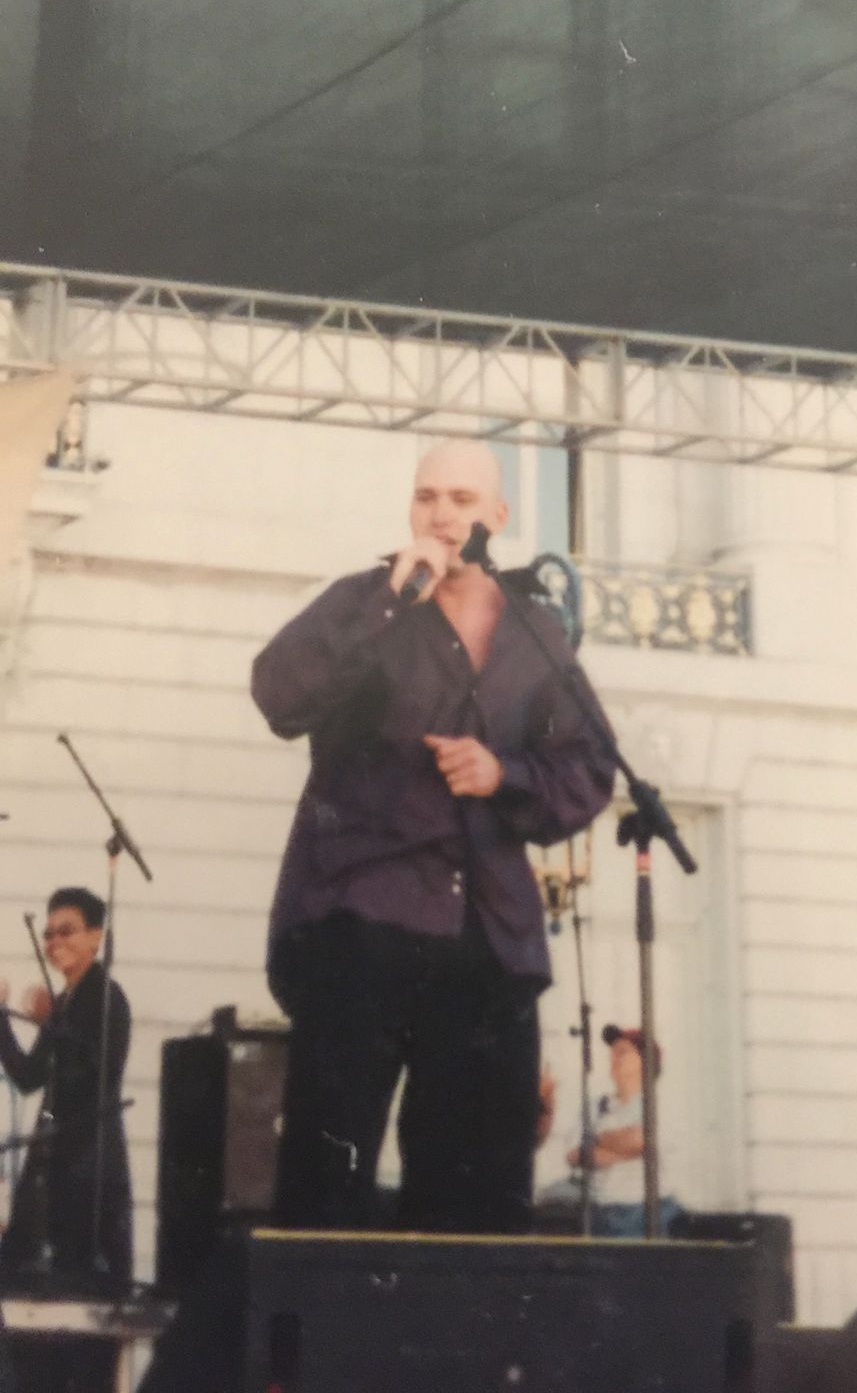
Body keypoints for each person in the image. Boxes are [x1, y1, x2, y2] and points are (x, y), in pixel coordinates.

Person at [252, 438, 615, 1235]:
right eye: (427, 497)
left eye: (461, 499)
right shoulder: (365, 600)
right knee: (326, 1182)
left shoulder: (535, 631)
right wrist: (387, 601)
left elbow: (589, 769)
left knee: (476, 1200)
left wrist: (503, 773)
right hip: (364, 921)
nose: (442, 514)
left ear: (498, 516)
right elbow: (280, 694)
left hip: (487, 940)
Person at [0, 887, 133, 1392]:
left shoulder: (106, 998)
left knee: (83, 1321)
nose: (54, 941)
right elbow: (30, 1076)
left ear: (96, 937)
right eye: (48, 933)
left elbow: (92, 1078)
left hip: (87, 1171)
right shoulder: (64, 1006)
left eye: (66, 931)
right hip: (54, 1171)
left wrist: (52, 1027)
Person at [541, 1024, 683, 1238]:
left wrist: (595, 1140)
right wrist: (625, 1149)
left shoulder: (657, 1104)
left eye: (622, 1052)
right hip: (600, 1214)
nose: (613, 1058)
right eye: (612, 1052)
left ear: (644, 1061)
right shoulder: (596, 1106)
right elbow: (574, 1155)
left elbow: (640, 1139)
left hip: (643, 1213)